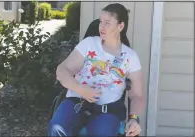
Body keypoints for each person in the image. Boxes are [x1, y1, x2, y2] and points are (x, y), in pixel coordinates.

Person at [48, 3, 145, 136]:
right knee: (57, 128)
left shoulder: (130, 56)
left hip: (108, 110)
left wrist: (134, 119)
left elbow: (137, 95)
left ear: (120, 26)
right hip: (77, 102)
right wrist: (81, 89)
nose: (101, 27)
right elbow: (62, 71)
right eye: (100, 22)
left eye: (107, 23)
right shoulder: (89, 44)